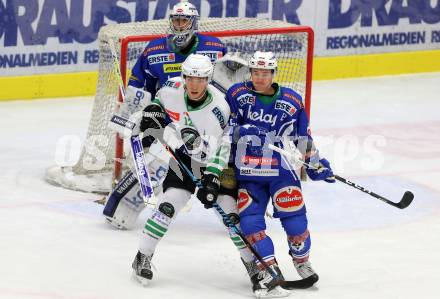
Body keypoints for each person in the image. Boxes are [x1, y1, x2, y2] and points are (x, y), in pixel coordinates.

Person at [131, 54, 257, 286]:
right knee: (166, 207)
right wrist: (152, 112)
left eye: (200, 80)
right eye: (190, 78)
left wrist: (210, 177)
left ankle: (252, 265)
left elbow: (220, 149)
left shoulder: (219, 109)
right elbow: (159, 102)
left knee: (231, 217)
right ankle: (142, 257)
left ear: (208, 79)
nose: (194, 85)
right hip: (184, 161)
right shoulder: (172, 87)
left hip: (217, 165)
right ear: (183, 77)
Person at [217, 51, 335, 297]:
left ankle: (302, 262)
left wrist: (315, 162)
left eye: (265, 73)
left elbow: (302, 138)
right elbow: (223, 129)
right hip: (248, 172)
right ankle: (269, 269)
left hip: (280, 172)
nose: (260, 78)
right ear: (250, 73)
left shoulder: (292, 100)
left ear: (273, 74)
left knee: (296, 222)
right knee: (250, 224)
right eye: (256, 73)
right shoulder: (237, 95)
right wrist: (241, 130)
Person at [103, 0, 228, 229]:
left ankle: (234, 214)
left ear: (194, 22)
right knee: (156, 164)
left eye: (184, 20)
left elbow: (228, 82)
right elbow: (140, 88)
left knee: (220, 167)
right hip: (169, 118)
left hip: (206, 120)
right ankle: (120, 210)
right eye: (176, 20)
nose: (180, 25)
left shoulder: (215, 47)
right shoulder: (154, 50)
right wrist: (136, 116)